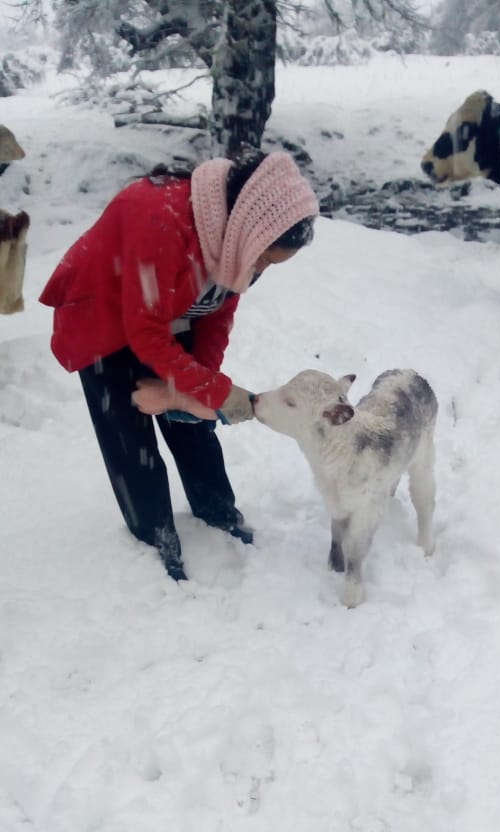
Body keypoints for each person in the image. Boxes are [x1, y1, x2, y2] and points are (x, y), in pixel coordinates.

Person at [40, 148, 319, 580]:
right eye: (266, 257)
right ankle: (155, 540)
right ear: (253, 226)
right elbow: (145, 332)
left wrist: (196, 389)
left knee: (193, 427)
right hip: (102, 318)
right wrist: (215, 392)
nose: (262, 268)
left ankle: (218, 513)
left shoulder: (237, 243)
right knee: (131, 442)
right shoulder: (161, 218)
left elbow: (217, 312)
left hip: (165, 314)